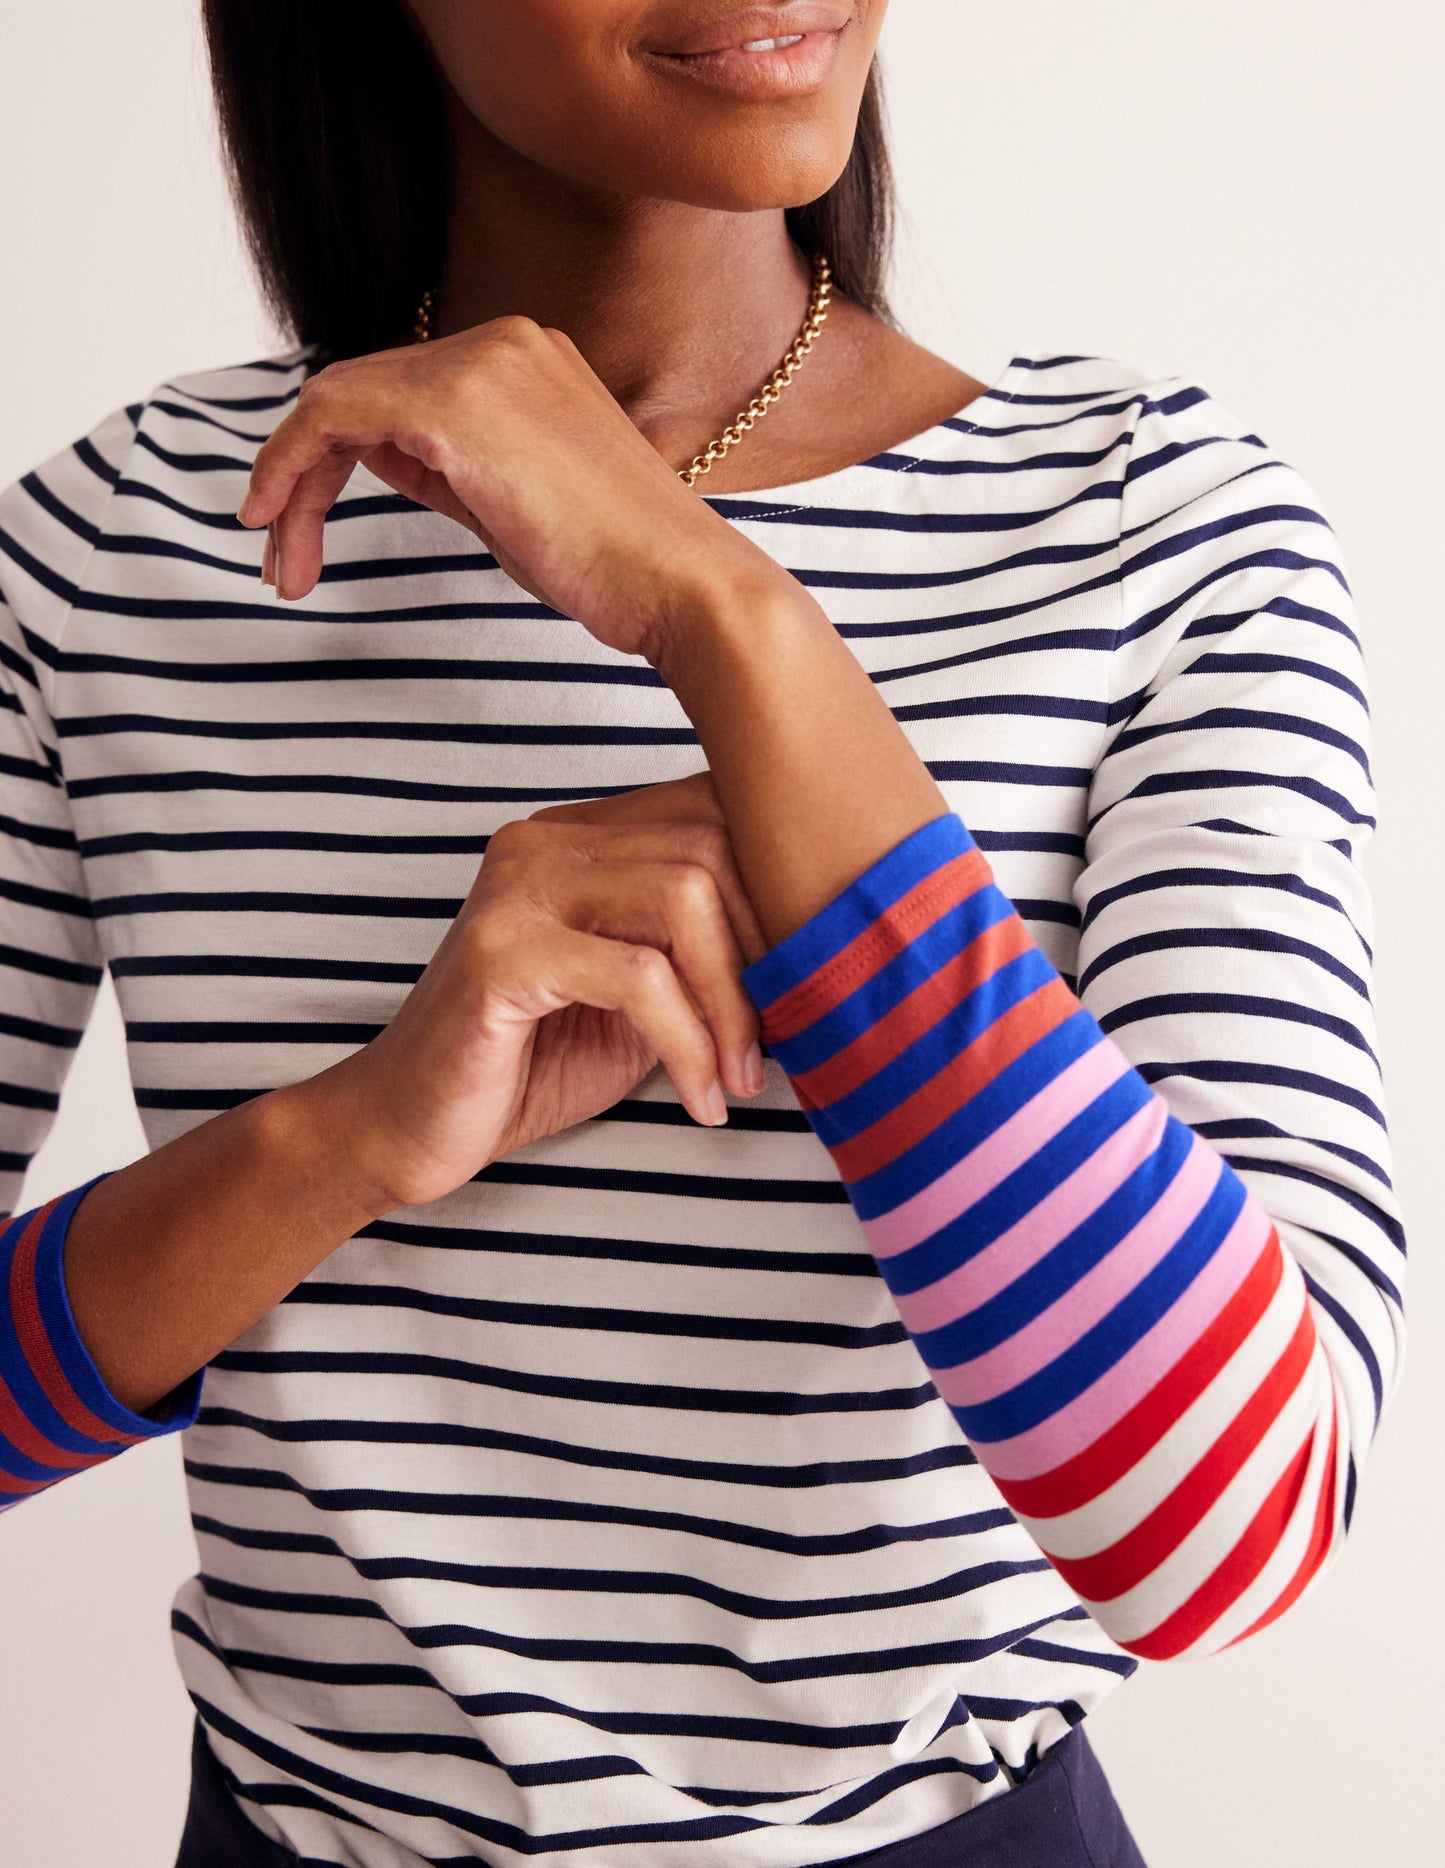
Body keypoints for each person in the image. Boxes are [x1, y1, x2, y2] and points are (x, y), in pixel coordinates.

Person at [0, 2, 1405, 1863]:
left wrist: (725, 618)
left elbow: (1232, 1528)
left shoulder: (1152, 542)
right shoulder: (126, 548)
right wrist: (339, 1143)